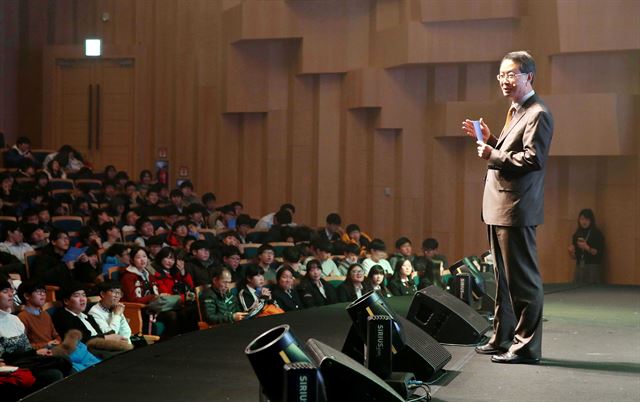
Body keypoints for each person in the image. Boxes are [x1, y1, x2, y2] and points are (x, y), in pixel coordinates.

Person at [462, 50, 552, 365]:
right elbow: (514, 150)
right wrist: (494, 140)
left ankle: (527, 347)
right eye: (501, 74)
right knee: (503, 279)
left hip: (516, 207)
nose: (504, 80)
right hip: (501, 206)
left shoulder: (537, 112)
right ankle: (503, 337)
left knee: (523, 280)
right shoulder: (516, 110)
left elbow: (533, 160)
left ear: (529, 76)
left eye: (511, 74)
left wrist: (492, 154)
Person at [568, 208, 605, 284]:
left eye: (587, 219)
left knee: (592, 292)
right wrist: (571, 252)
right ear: (579, 220)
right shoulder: (577, 234)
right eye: (582, 219)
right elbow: (574, 257)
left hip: (592, 267)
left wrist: (587, 248)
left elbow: (599, 254)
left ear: (591, 221)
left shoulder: (597, 233)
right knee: (577, 291)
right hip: (579, 267)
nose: (584, 222)